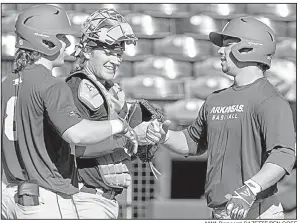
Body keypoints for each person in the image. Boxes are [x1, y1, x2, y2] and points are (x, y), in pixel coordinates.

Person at [146, 17, 296, 219]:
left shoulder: (270, 99)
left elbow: (284, 154)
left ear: (248, 48)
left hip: (257, 211)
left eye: (227, 45)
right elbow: (193, 142)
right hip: (221, 212)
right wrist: (164, 136)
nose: (220, 51)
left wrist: (250, 189)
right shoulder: (215, 100)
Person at [1, 4, 137, 219]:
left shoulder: (6, 83)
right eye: (61, 37)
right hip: (44, 197)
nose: (67, 44)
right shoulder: (51, 84)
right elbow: (76, 134)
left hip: (7, 197)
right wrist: (120, 126)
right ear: (45, 40)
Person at [60, 8, 156, 219]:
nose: (116, 60)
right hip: (84, 198)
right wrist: (128, 139)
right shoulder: (79, 86)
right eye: (108, 52)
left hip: (101, 200)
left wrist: (144, 131)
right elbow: (75, 146)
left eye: (119, 53)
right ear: (86, 51)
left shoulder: (107, 89)